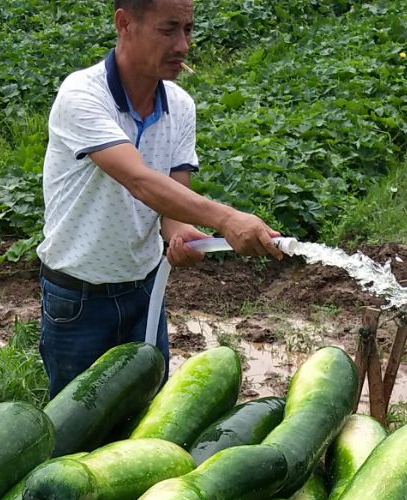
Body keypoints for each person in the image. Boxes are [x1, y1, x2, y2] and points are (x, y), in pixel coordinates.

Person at [37, 0, 281, 397]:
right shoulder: (82, 94)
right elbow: (140, 180)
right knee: (74, 432)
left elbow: (171, 203)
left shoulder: (180, 106)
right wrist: (226, 219)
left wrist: (181, 232)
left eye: (187, 29)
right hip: (79, 298)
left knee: (146, 424)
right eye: (168, 30)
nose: (183, 45)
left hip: (145, 291)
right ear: (124, 24)